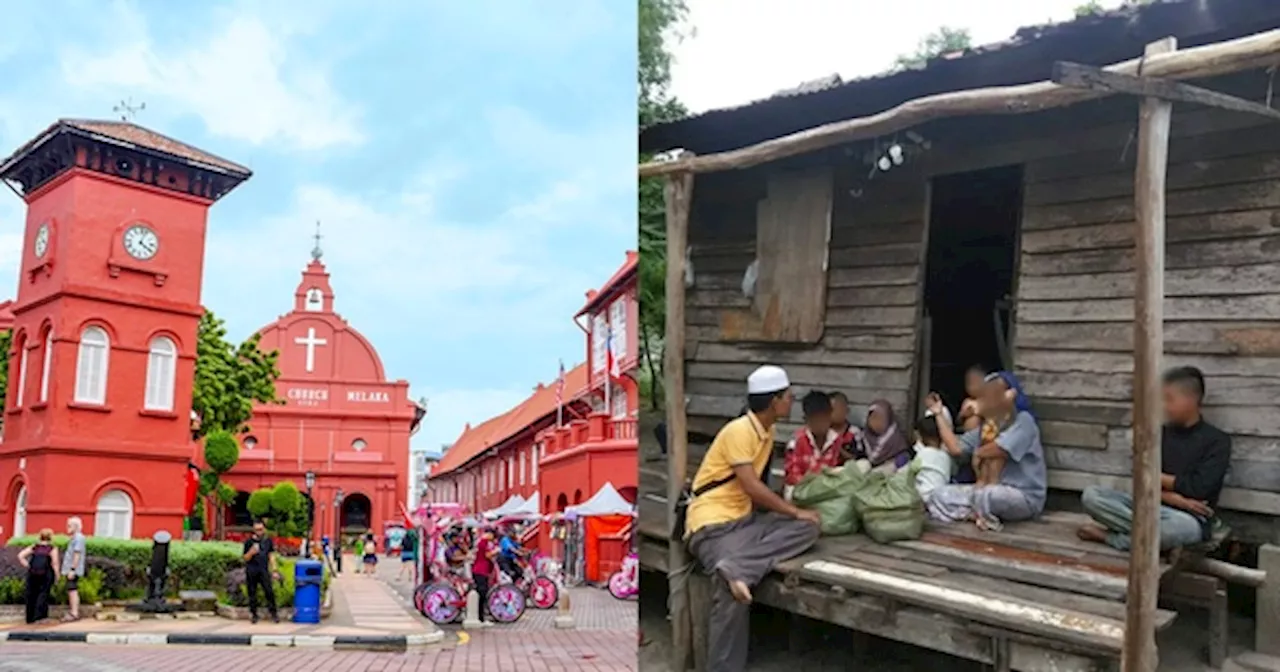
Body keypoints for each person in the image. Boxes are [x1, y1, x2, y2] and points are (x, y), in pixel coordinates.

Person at [684, 365, 821, 672]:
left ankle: (739, 567)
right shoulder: (739, 431)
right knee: (732, 595)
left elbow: (757, 495)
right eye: (788, 396)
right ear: (774, 401)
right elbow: (752, 487)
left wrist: (797, 515)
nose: (791, 401)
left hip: (744, 523)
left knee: (809, 529)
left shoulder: (766, 431)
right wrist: (794, 510)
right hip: (712, 526)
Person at [1077, 366, 1231, 551]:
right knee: (1092, 496)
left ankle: (1112, 538)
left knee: (1175, 530)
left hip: (1187, 519)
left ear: (1191, 400)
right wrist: (1173, 497)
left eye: (1169, 399)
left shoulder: (1218, 441)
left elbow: (1200, 488)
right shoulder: (1158, 434)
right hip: (1148, 506)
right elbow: (1140, 476)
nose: (1164, 406)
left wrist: (1156, 478)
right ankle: (1144, 538)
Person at [926, 372, 1047, 531]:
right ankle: (976, 514)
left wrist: (978, 453)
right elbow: (956, 448)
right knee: (938, 495)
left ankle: (978, 514)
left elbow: (1000, 449)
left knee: (987, 494)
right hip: (986, 490)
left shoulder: (1024, 421)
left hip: (1023, 496)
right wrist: (939, 413)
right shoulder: (988, 426)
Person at [783, 391, 849, 499]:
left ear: (830, 415)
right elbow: (792, 477)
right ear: (807, 420)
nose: (820, 425)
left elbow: (832, 469)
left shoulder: (835, 440)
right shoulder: (797, 442)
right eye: (816, 421)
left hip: (825, 489)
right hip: (800, 490)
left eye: (823, 420)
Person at [854, 399, 913, 471]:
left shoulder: (897, 440)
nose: (876, 423)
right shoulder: (862, 436)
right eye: (873, 418)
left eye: (881, 418)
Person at [242, 520, 280, 623]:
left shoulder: (268, 541)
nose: (259, 532)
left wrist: (275, 570)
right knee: (252, 593)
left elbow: (271, 556)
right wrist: (251, 552)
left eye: (261, 529)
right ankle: (254, 614)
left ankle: (274, 613)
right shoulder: (249, 542)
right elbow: (245, 558)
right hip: (251, 570)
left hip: (263, 570)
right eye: (257, 530)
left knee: (269, 591)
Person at [18, 529, 59, 624]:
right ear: (51, 537)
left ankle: (30, 617)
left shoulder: (34, 547)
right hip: (46, 573)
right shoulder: (52, 548)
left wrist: (28, 565)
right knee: (43, 593)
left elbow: (20, 555)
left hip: (32, 573)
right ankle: (40, 616)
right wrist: (57, 575)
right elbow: (55, 563)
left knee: (31, 594)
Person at [912, 413, 952, 504]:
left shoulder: (921, 454)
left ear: (919, 435)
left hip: (922, 496)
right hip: (941, 498)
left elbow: (911, 472)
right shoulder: (946, 456)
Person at [471, 528, 498, 624]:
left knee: (482, 592)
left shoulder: (481, 541)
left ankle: (481, 616)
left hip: (481, 570)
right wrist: (496, 551)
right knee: (482, 593)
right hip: (481, 570)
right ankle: (480, 617)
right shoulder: (484, 542)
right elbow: (487, 555)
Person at [62, 517, 87, 621]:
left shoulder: (78, 538)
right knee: (71, 589)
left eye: (69, 525)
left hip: (73, 570)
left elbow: (77, 554)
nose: (67, 528)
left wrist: (72, 569)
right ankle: (73, 611)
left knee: (72, 590)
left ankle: (74, 612)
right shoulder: (74, 538)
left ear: (76, 527)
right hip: (70, 569)